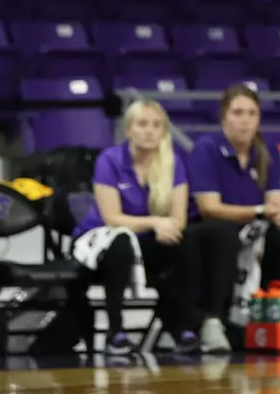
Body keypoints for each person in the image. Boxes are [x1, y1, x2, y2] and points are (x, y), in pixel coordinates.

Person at [71, 98, 217, 354]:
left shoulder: (173, 164)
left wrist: (165, 226)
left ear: (164, 131)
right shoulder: (109, 160)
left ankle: (183, 326)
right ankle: (115, 332)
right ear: (129, 130)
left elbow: (178, 220)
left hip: (147, 239)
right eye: (142, 124)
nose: (149, 131)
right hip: (102, 241)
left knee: (187, 241)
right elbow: (112, 218)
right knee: (120, 243)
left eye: (156, 125)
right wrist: (155, 222)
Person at [186, 83, 280, 349]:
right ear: (224, 118)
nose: (245, 121)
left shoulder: (266, 151)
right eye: (237, 113)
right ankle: (212, 320)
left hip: (252, 225)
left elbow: (275, 201)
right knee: (223, 234)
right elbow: (209, 208)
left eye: (252, 114)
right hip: (206, 229)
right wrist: (261, 212)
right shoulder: (205, 149)